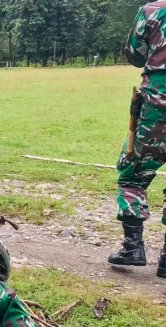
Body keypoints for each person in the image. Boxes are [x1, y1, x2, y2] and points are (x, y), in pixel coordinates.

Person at [109, 1, 166, 278]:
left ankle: (133, 247)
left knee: (132, 173)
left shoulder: (153, 10)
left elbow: (134, 54)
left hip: (157, 105)